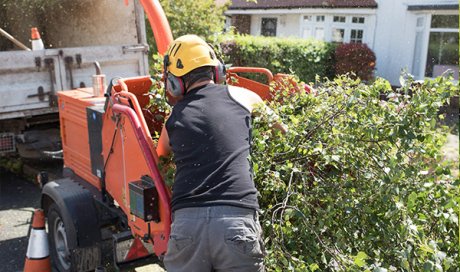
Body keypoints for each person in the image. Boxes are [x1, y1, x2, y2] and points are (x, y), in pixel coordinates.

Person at [156, 34, 286, 272]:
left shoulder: (172, 119)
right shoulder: (244, 97)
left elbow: (161, 156)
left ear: (175, 82)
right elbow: (283, 131)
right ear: (217, 72)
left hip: (188, 227)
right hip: (236, 222)